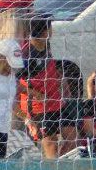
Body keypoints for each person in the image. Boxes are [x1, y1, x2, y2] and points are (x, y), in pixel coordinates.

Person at [17, 17, 78, 158]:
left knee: (73, 138)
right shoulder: (26, 54)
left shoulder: (46, 44)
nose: (52, 30)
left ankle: (61, 167)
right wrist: (35, 94)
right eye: (50, 27)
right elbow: (14, 83)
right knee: (51, 144)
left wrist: (61, 79)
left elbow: (50, 64)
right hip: (39, 107)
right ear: (45, 32)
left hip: (57, 101)